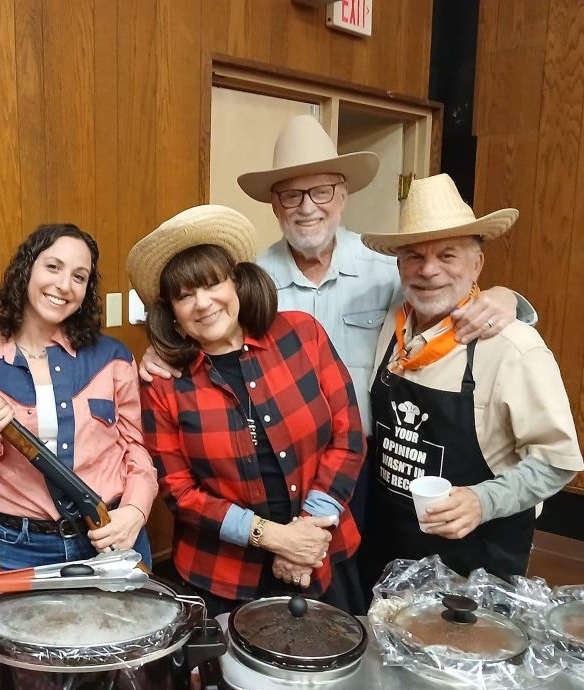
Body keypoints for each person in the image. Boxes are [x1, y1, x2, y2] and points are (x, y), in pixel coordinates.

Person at [140, 116, 529, 532]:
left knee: (372, 575)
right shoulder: (250, 281)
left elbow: (446, 303)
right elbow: (209, 338)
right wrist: (160, 348)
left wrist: (504, 298)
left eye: (322, 191)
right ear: (274, 205)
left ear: (344, 194)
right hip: (287, 468)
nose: (307, 207)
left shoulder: (387, 270)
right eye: (291, 196)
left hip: (382, 457)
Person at [130, 205, 367, 617]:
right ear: (172, 314)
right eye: (185, 295)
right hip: (224, 576)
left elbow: (347, 436)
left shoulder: (301, 334)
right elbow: (181, 493)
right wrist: (274, 538)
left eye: (212, 283)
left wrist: (305, 537)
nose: (203, 303)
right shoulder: (164, 384)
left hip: (322, 552)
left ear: (236, 281)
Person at [359, 174, 584, 585]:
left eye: (448, 256)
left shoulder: (513, 347)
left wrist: (483, 501)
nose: (428, 271)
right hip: (389, 552)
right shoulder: (391, 330)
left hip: (473, 569)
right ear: (398, 265)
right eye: (413, 256)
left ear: (477, 263)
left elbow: (558, 461)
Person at [0, 223, 157, 570]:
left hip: (113, 533)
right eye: (53, 267)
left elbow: (136, 448)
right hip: (19, 548)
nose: (64, 285)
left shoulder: (113, 358)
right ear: (27, 270)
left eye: (79, 277)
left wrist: (135, 511)